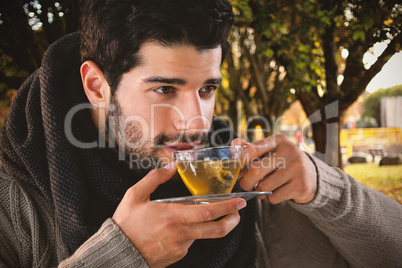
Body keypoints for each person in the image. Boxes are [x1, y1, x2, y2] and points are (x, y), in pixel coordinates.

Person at [0, 0, 401, 267]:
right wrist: (122, 254)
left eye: (206, 89)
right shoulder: (12, 196)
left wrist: (324, 188)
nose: (195, 123)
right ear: (97, 86)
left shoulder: (241, 178)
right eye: (165, 89)